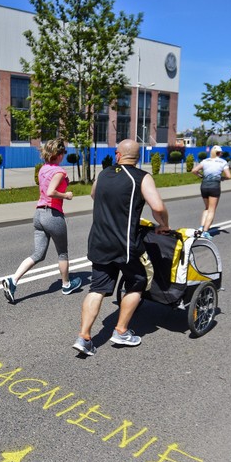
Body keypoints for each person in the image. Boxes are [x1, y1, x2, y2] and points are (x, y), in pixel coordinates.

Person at [72, 139, 170, 356]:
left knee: (97, 288)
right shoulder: (141, 177)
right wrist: (164, 225)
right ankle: (121, 331)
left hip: (99, 241)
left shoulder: (104, 173)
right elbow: (157, 206)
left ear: (117, 155)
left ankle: (84, 337)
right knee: (139, 281)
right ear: (138, 157)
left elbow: (93, 195)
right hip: (125, 245)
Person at [2, 138, 81, 303]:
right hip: (52, 215)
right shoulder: (60, 171)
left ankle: (13, 280)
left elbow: (46, 190)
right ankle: (66, 284)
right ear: (58, 155)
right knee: (63, 253)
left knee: (38, 254)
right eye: (63, 152)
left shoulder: (43, 169)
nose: (64, 156)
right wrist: (66, 195)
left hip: (38, 214)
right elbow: (51, 192)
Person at [191, 145, 231, 237]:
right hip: (214, 187)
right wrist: (222, 178)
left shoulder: (205, 161)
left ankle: (201, 227)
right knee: (212, 210)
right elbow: (229, 176)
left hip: (204, 186)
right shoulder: (223, 162)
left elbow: (194, 170)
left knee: (207, 208)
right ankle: (205, 231)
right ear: (219, 153)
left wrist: (200, 176)